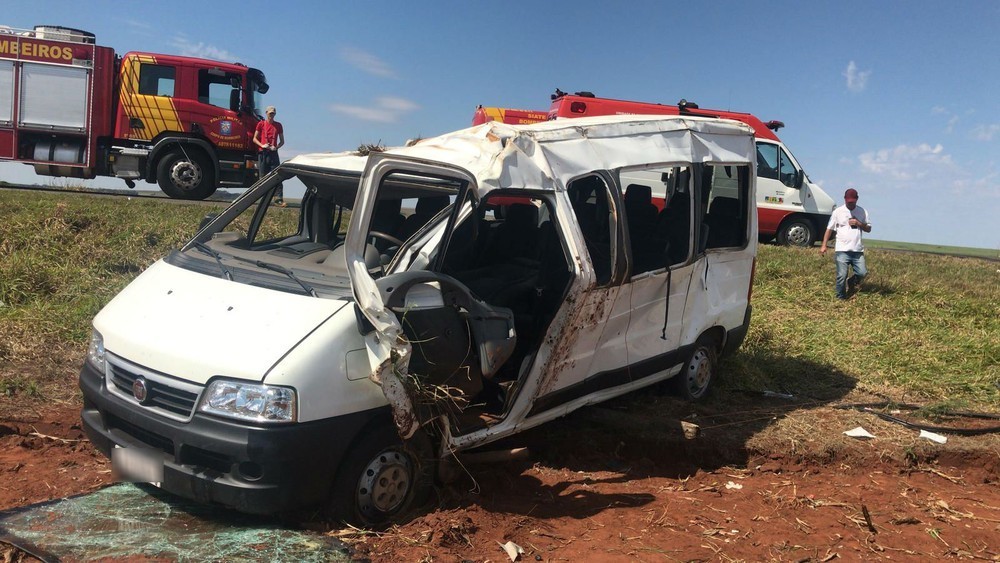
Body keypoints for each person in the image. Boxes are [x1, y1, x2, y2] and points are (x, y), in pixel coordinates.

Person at [819, 188, 872, 299]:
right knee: (841, 275)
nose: (850, 203)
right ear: (844, 199)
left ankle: (851, 282)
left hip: (857, 250)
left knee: (862, 273)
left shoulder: (862, 212)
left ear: (857, 199)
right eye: (848, 201)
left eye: (852, 201)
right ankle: (840, 297)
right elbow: (829, 229)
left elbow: (868, 229)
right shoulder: (838, 212)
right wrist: (824, 245)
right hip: (842, 249)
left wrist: (858, 223)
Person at [253, 105, 285, 206]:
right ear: (266, 113)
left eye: (273, 113)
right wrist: (262, 145)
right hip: (263, 152)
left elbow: (282, 141)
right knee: (262, 176)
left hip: (273, 153)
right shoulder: (261, 124)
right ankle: (262, 199)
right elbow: (254, 138)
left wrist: (276, 147)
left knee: (277, 175)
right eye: (270, 113)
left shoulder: (278, 125)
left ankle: (278, 199)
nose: (272, 115)